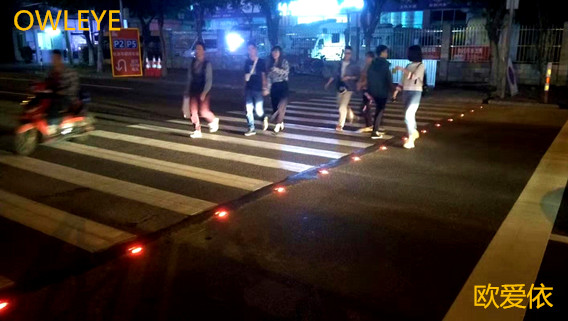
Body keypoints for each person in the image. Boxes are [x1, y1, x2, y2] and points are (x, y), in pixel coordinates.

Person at [183, 41, 219, 138]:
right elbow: (189, 77)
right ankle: (197, 130)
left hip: (203, 90)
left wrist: (204, 92)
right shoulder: (192, 63)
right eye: (196, 49)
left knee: (203, 111)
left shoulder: (207, 64)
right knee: (193, 111)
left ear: (204, 51)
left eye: (199, 49)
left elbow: (209, 80)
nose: (197, 51)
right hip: (193, 89)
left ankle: (213, 119)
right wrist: (187, 90)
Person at [393, 45, 425, 149]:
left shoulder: (421, 66)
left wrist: (401, 69)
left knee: (408, 115)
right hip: (406, 92)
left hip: (416, 92)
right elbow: (403, 80)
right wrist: (396, 92)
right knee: (409, 115)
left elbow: (413, 76)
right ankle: (413, 132)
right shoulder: (408, 65)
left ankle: (411, 139)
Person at [325, 46, 360, 131]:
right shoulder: (339, 64)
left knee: (342, 107)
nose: (347, 55)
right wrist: (328, 83)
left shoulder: (354, 65)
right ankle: (352, 116)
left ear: (351, 54)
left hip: (349, 87)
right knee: (340, 105)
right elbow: (334, 75)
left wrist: (349, 77)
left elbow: (358, 76)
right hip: (340, 87)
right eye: (345, 53)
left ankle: (340, 124)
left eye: (349, 53)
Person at [45, 49, 79, 134]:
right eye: (52, 58)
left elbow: (74, 86)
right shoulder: (50, 72)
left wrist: (64, 92)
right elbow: (45, 82)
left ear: (60, 58)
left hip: (67, 97)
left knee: (55, 103)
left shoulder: (69, 72)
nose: (53, 60)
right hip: (53, 94)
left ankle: (53, 124)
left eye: (55, 58)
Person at [366, 45, 393, 140]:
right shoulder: (385, 65)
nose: (387, 54)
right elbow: (388, 79)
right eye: (386, 52)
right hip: (382, 91)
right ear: (382, 52)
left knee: (379, 110)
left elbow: (368, 76)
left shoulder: (372, 64)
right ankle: (375, 131)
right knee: (380, 110)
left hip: (373, 90)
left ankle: (376, 128)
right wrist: (392, 92)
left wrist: (369, 90)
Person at [243, 42, 269, 136]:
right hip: (249, 88)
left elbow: (263, 75)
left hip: (258, 88)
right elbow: (245, 75)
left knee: (258, 110)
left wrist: (264, 87)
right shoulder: (247, 61)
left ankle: (263, 118)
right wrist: (244, 86)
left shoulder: (261, 61)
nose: (250, 51)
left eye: (252, 49)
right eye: (249, 49)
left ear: (255, 49)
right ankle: (251, 128)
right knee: (248, 109)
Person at [267, 46, 290, 133]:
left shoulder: (284, 62)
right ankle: (280, 122)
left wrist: (275, 69)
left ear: (280, 53)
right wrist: (268, 89)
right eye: (273, 52)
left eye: (276, 52)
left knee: (281, 106)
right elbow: (269, 77)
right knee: (275, 107)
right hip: (274, 87)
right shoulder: (270, 63)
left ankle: (277, 125)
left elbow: (286, 73)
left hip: (283, 85)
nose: (274, 53)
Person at [356, 51, 376, 133]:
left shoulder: (372, 67)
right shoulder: (366, 66)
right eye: (366, 57)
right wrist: (360, 83)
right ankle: (369, 124)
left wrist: (361, 84)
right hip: (365, 90)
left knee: (365, 107)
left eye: (367, 57)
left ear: (371, 58)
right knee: (365, 107)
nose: (366, 59)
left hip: (370, 90)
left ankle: (370, 125)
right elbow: (362, 75)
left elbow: (370, 79)